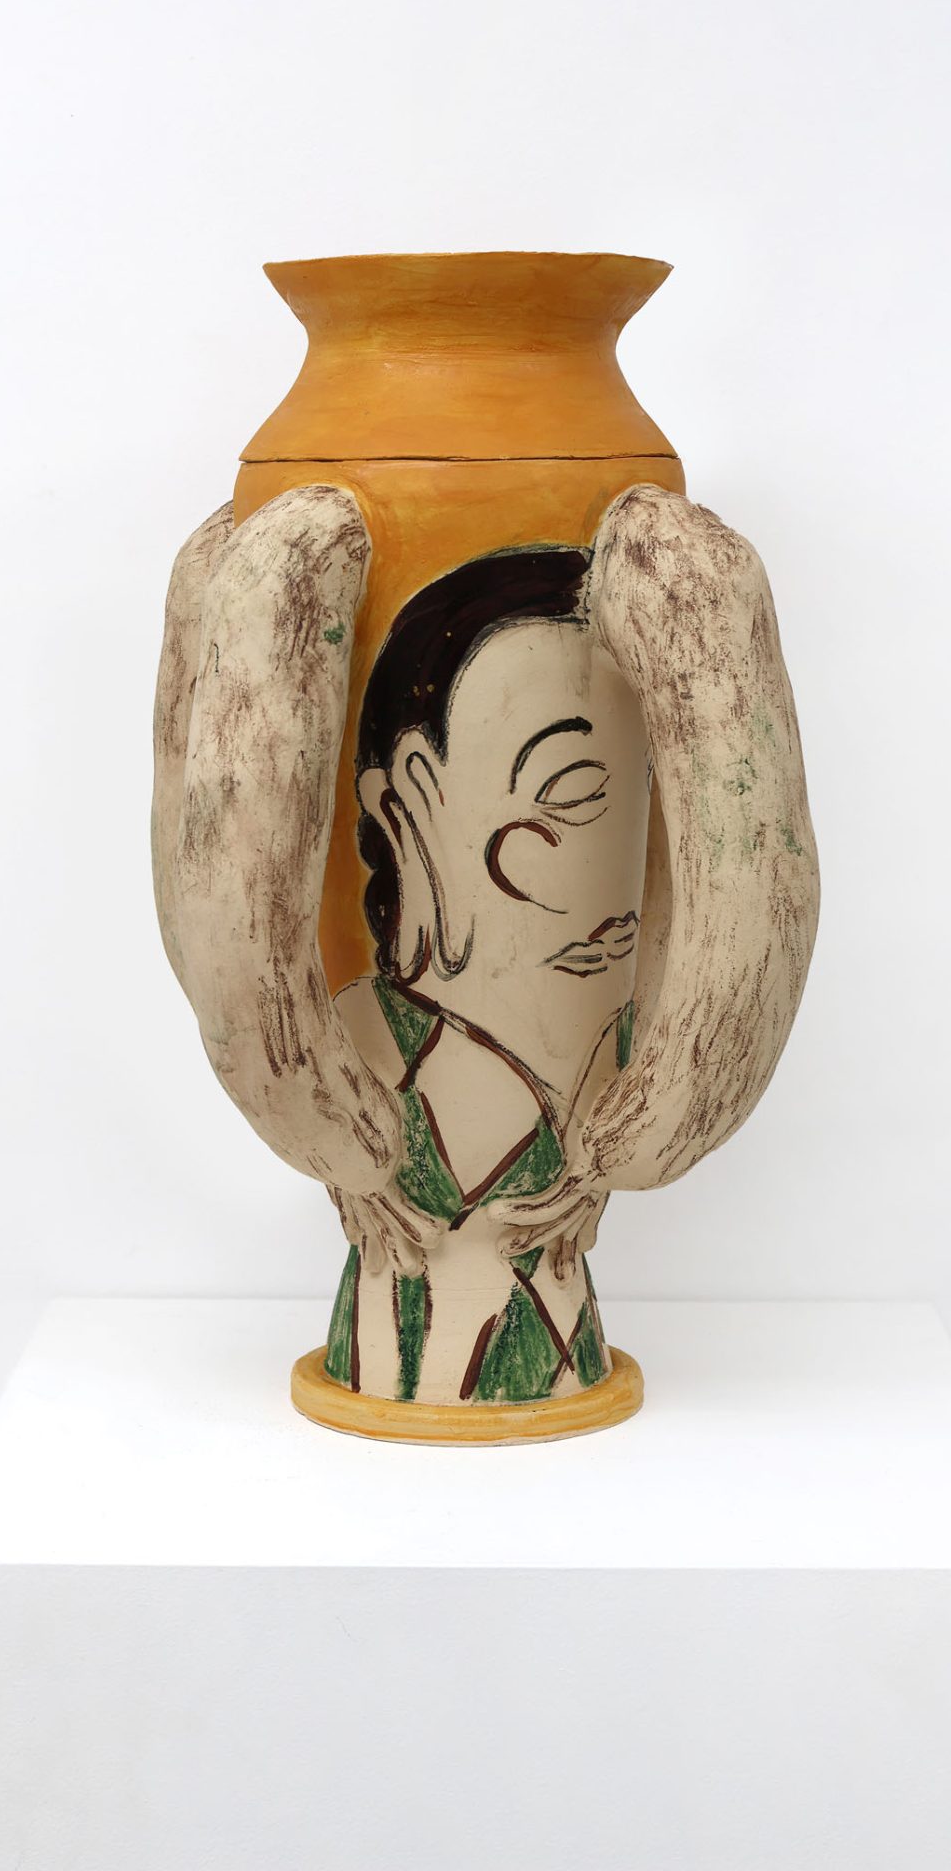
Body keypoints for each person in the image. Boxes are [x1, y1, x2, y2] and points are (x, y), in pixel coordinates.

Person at [328, 545, 652, 1404]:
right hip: (387, 1347)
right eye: (572, 793)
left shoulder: (624, 1048)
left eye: (641, 793)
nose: (612, 854)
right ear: (413, 800)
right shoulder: (361, 1036)